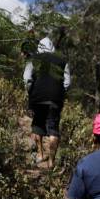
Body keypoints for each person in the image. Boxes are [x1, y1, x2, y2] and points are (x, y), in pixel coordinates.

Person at [23, 36, 71, 168]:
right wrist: (60, 92)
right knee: (53, 128)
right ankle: (51, 161)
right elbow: (67, 83)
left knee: (37, 125)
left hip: (38, 97)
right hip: (55, 99)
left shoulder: (33, 59)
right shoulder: (62, 61)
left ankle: (40, 154)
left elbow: (27, 78)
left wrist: (31, 91)